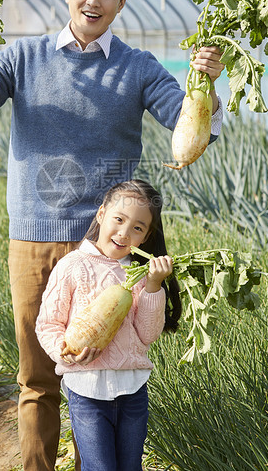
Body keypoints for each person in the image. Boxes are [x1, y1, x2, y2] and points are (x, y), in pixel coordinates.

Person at [0, 0, 224, 471]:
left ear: (122, 1)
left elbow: (188, 127)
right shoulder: (23, 57)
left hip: (108, 248)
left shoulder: (138, 68)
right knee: (38, 375)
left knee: (106, 372)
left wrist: (205, 82)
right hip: (34, 236)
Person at [35, 179, 180, 471]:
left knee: (130, 467)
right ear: (101, 214)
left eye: (138, 228)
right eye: (119, 219)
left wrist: (153, 286)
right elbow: (48, 324)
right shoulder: (73, 265)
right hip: (86, 389)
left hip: (133, 389)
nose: (125, 233)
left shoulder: (141, 274)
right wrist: (62, 350)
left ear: (146, 236)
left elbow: (148, 333)